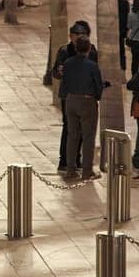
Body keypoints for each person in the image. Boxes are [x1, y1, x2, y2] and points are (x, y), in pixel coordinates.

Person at [53, 20, 99, 172]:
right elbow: (55, 73)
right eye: (77, 35)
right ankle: (65, 161)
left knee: (82, 131)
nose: (80, 38)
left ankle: (76, 161)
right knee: (70, 129)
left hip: (85, 95)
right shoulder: (64, 51)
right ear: (71, 36)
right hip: (70, 95)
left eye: (83, 34)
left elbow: (95, 73)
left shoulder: (92, 51)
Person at [61, 36, 103, 181]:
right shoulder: (92, 66)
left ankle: (70, 169)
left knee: (72, 136)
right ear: (89, 48)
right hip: (87, 101)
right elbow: (98, 85)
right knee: (88, 137)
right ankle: (87, 171)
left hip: (71, 99)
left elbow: (64, 82)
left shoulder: (68, 63)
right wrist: (96, 97)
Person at [127, 0, 139, 80]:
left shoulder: (131, 15)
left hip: (135, 42)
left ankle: (134, 79)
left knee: (135, 62)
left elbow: (129, 27)